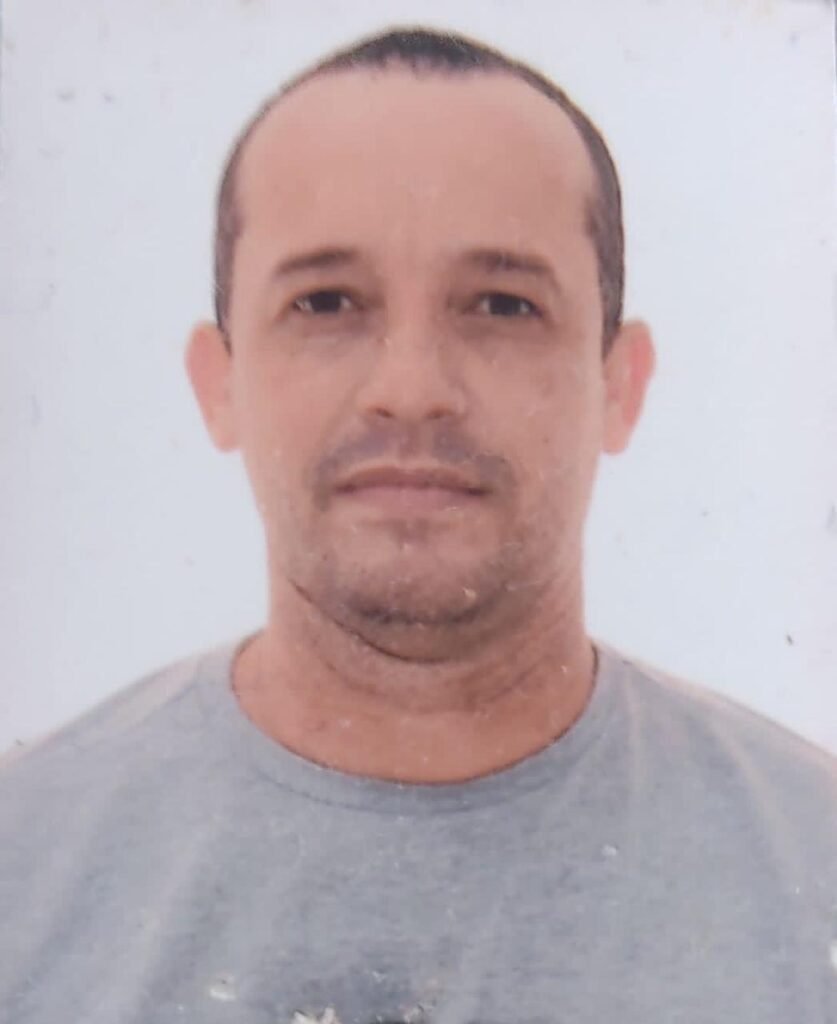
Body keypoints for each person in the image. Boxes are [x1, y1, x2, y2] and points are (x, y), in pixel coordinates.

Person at [1, 26, 834, 1024]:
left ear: (620, 383)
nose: (410, 388)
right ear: (219, 384)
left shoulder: (813, 871)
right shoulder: (25, 866)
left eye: (502, 305)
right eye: (326, 302)